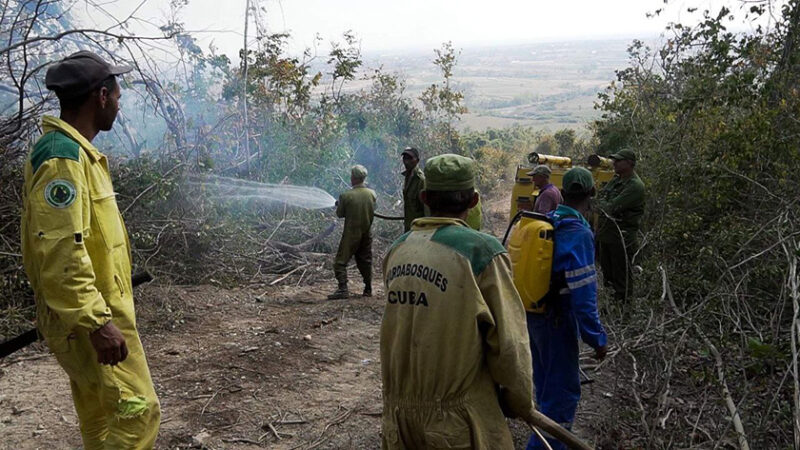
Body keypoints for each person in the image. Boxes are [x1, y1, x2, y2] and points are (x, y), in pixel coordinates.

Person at [20, 51, 160, 449]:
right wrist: (97, 323)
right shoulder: (62, 159)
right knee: (137, 414)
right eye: (117, 94)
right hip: (89, 319)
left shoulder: (77, 153)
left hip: (87, 314)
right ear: (100, 96)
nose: (119, 102)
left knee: (100, 416)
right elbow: (61, 251)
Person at [380, 154, 536, 449]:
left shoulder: (396, 250)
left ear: (424, 197)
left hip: (397, 418)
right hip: (456, 421)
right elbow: (509, 344)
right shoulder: (481, 252)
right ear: (474, 200)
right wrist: (519, 400)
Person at [525, 167, 608, 450]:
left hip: (533, 316)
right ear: (591, 194)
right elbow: (583, 297)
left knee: (546, 389)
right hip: (557, 320)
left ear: (562, 191)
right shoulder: (578, 232)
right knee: (561, 400)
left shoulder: (547, 220)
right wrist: (597, 339)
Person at [594, 148, 645, 302]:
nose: (614, 163)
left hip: (621, 239)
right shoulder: (616, 180)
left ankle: (624, 312)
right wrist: (603, 203)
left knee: (622, 279)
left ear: (629, 163)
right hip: (607, 236)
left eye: (618, 160)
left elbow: (610, 208)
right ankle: (611, 308)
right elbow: (599, 198)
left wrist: (603, 204)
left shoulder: (635, 186)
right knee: (608, 277)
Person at [328, 164, 377, 299]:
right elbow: (373, 208)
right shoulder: (372, 194)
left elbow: (340, 214)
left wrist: (340, 205)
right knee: (365, 261)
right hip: (366, 233)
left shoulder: (346, 196)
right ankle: (368, 288)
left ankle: (343, 289)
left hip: (351, 234)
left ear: (354, 178)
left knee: (340, 262)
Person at [401, 146, 426, 232]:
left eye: (410, 158)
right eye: (405, 158)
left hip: (419, 229)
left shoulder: (421, 180)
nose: (406, 161)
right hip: (409, 227)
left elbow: (426, 209)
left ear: (417, 161)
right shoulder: (407, 176)